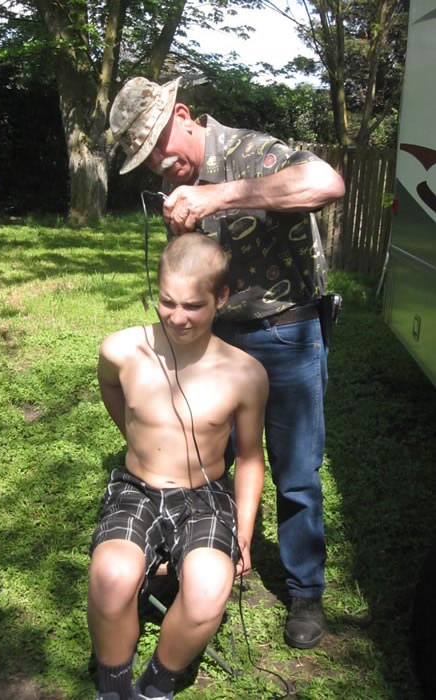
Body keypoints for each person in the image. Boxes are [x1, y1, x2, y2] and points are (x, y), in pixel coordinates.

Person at [109, 76, 346, 650]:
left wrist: (218, 196)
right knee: (206, 455)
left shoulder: (250, 150)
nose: (161, 164)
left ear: (183, 114)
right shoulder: (176, 182)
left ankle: (305, 589)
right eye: (147, 161)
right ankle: (205, 558)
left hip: (285, 330)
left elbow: (327, 183)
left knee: (295, 468)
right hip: (216, 337)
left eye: (160, 146)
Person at [89, 233, 268, 700]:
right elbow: (111, 388)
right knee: (111, 578)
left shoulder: (245, 373)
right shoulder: (120, 350)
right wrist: (136, 438)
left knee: (208, 591)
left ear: (221, 297)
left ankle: (157, 681)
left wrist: (245, 529)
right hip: (137, 488)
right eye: (167, 301)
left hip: (204, 495)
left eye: (193, 305)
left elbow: (250, 456)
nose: (177, 317)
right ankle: (113, 687)